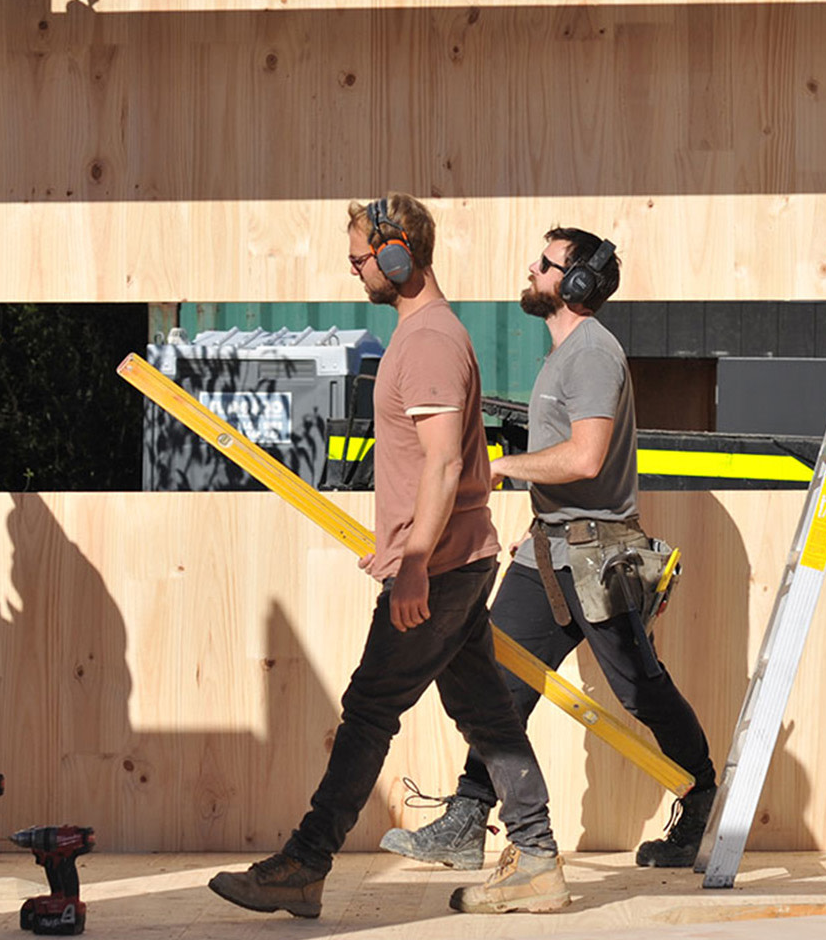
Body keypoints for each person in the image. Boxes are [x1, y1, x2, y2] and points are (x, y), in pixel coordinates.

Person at [208, 195, 571, 918]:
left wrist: (412, 564)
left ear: (400, 254)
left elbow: (440, 465)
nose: (356, 271)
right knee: (489, 717)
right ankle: (537, 860)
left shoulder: (430, 341)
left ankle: (307, 863)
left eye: (361, 258)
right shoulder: (423, 334)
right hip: (456, 561)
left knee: (371, 708)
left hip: (437, 567)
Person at [380, 227, 719, 870]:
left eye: (546, 262)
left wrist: (501, 468)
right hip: (549, 553)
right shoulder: (563, 353)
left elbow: (586, 458)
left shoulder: (591, 353)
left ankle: (701, 803)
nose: (531, 269)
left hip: (594, 558)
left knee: (641, 691)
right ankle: (466, 818)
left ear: (577, 282)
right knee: (496, 684)